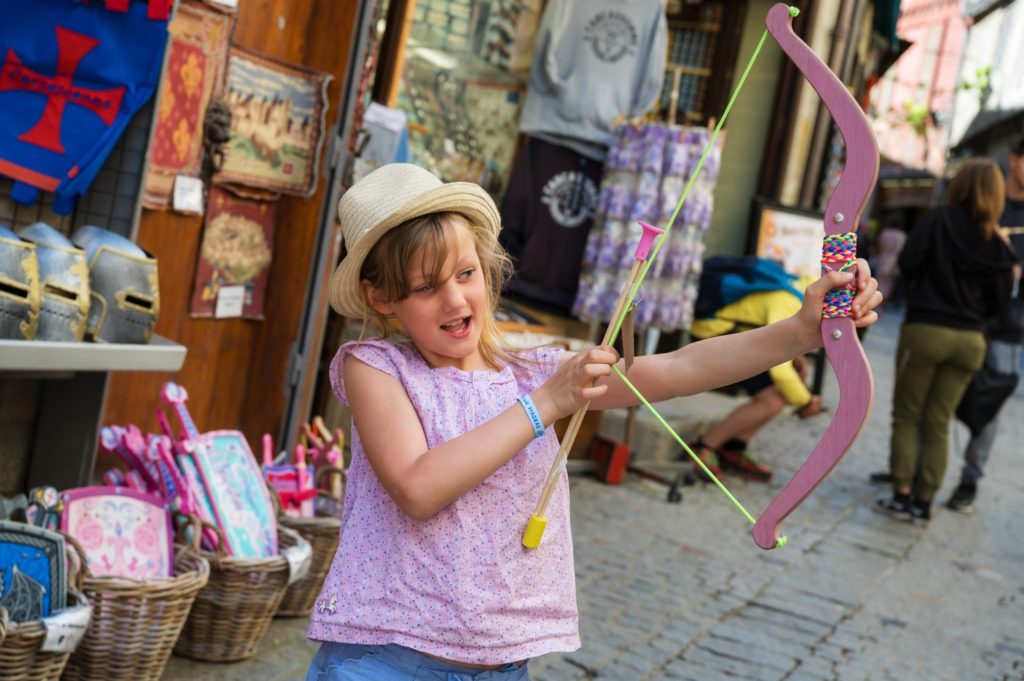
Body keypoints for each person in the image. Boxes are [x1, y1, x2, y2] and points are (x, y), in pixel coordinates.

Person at [305, 163, 881, 680]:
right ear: (381, 298)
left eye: (466, 274)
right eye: (425, 288)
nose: (455, 300)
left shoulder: (528, 372)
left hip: (502, 665)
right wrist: (546, 406)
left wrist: (801, 332)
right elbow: (417, 486)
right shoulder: (375, 367)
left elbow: (680, 367)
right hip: (382, 660)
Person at [875, 158, 1016, 527]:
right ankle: (924, 503)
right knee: (938, 421)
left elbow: (908, 260)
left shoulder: (938, 220)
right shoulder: (998, 242)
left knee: (907, 415)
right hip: (971, 340)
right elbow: (1001, 304)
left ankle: (902, 494)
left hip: (926, 329)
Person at [685, 266, 825, 482]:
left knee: (776, 399)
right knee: (771, 400)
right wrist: (805, 401)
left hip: (738, 335)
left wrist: (796, 358)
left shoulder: (800, 290)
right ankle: (702, 447)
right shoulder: (787, 302)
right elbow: (779, 369)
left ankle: (734, 446)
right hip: (716, 335)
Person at [945, 138, 1024, 513]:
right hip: (961, 316)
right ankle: (914, 474)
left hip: (1008, 327)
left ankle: (969, 481)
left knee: (987, 407)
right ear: (1014, 160)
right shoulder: (982, 200)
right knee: (935, 396)